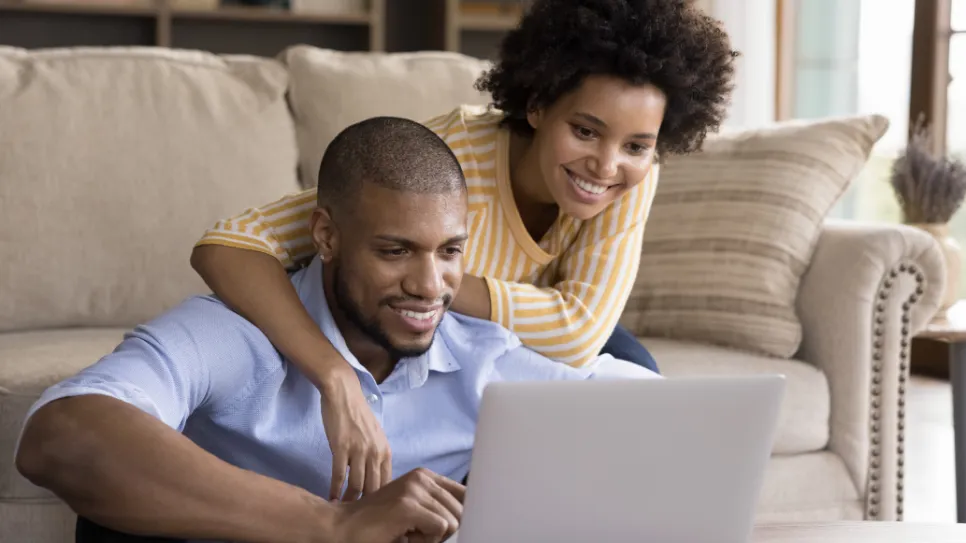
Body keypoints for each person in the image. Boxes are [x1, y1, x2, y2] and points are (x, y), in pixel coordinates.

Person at [190, 0, 735, 506]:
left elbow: (580, 332)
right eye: (586, 131)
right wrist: (335, 374)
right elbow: (229, 245)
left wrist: (446, 289)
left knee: (637, 380)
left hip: (503, 330)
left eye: (637, 145)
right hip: (427, 334)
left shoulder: (629, 176)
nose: (607, 165)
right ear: (539, 104)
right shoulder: (447, 160)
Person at [15, 117, 656, 543]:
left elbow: (654, 427)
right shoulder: (233, 337)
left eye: (451, 252)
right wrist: (335, 524)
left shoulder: (489, 363)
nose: (431, 286)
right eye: (395, 251)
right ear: (326, 236)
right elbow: (60, 436)